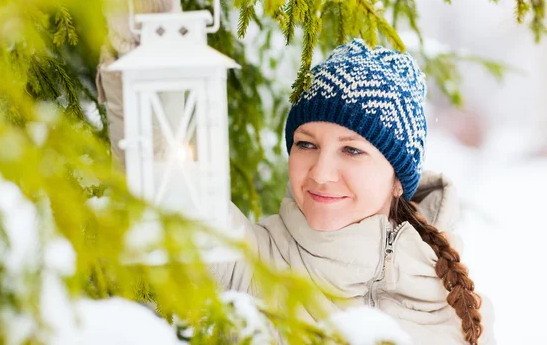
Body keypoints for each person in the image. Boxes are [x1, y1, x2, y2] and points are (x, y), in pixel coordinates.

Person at [210, 39, 495, 345]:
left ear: (398, 179)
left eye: (351, 150)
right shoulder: (244, 263)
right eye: (306, 144)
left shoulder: (460, 309)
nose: (320, 173)